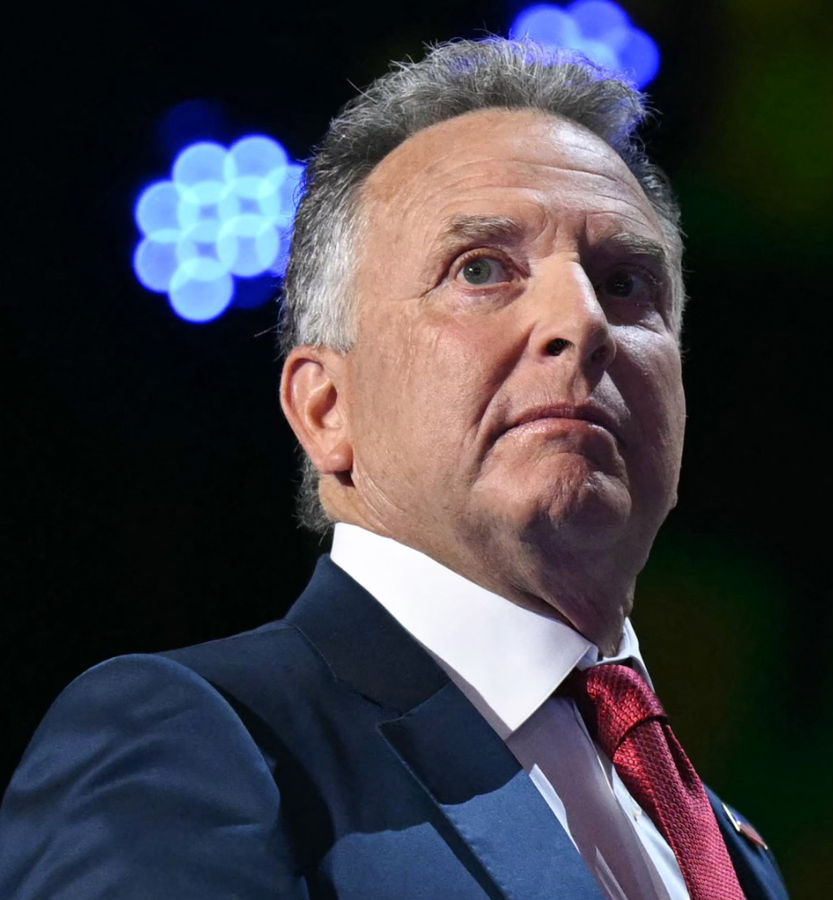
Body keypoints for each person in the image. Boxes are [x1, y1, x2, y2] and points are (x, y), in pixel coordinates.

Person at [0, 39, 788, 900]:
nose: (583, 321)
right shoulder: (197, 742)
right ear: (327, 409)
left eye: (627, 284)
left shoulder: (728, 847)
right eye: (480, 270)